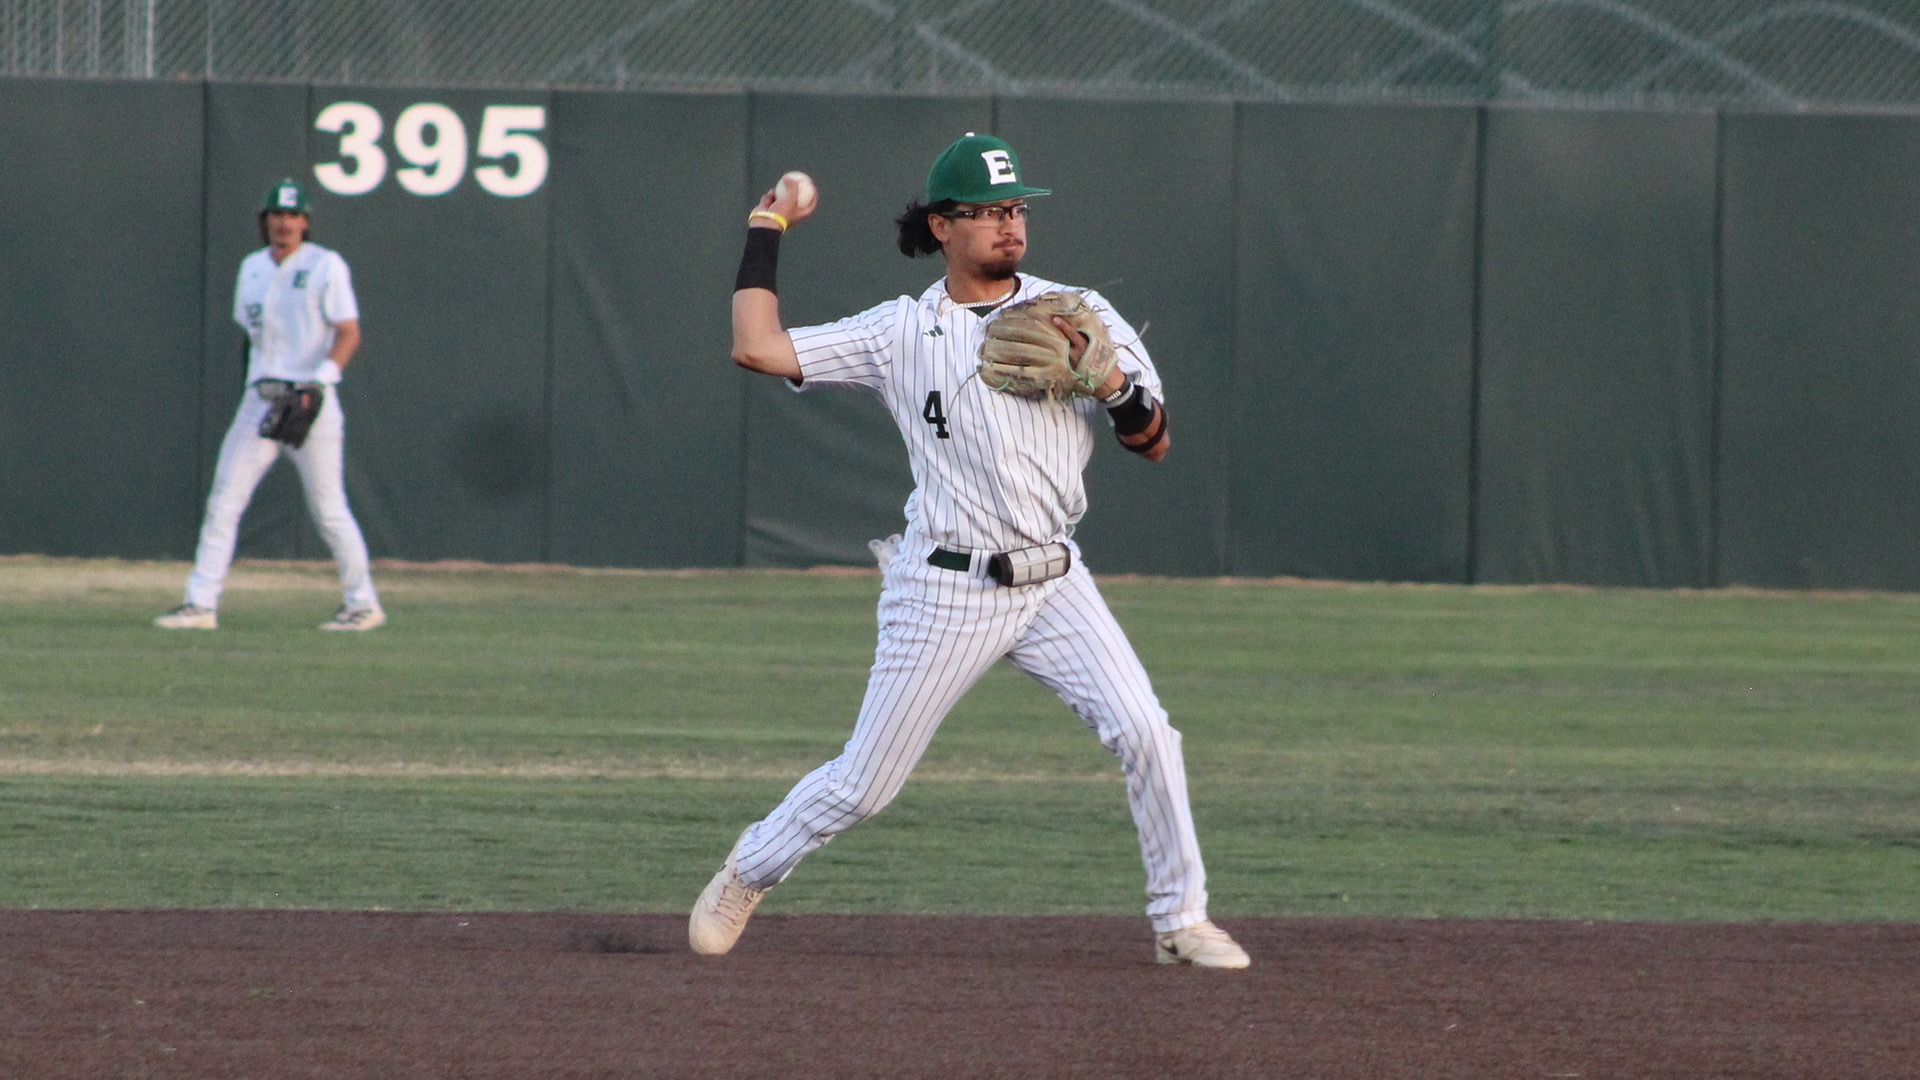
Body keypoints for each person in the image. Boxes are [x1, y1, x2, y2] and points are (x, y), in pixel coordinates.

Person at [689, 134, 1248, 968]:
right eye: (987, 213)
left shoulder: (1076, 311)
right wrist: (767, 222)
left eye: (1015, 209)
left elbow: (1154, 441)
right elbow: (756, 346)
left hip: (1055, 577)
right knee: (861, 787)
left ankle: (1181, 919)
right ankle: (750, 868)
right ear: (942, 226)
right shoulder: (899, 333)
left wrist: (1117, 389)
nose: (1008, 225)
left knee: (1146, 732)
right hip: (945, 585)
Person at [155, 178, 384, 632]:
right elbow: (252, 334)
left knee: (328, 508)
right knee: (225, 499)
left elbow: (349, 331)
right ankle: (200, 604)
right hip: (262, 399)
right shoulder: (252, 268)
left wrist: (321, 382)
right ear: (265, 221)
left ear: (305, 222)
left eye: (293, 215)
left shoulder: (325, 265)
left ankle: (363, 604)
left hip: (310, 399)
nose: (284, 223)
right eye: (276, 215)